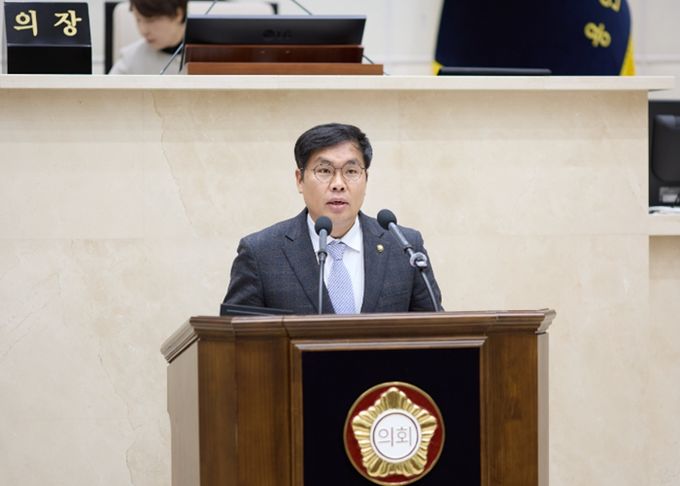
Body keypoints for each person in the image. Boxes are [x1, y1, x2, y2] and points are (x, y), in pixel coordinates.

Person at [223, 123, 442, 315]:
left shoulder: (405, 247)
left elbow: (435, 333)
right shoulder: (261, 253)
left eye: (351, 171)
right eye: (324, 171)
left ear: (366, 179)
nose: (338, 184)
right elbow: (239, 339)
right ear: (300, 180)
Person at [109, 0, 187, 75]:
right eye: (138, 20)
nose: (143, 30)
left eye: (151, 20)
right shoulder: (129, 60)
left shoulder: (195, 56)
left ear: (178, 15)